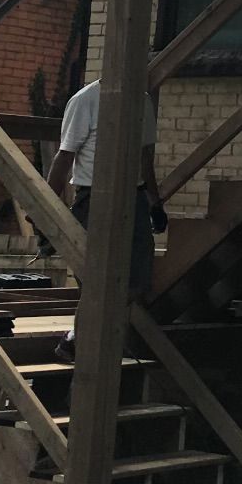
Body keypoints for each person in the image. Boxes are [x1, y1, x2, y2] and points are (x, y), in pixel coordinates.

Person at [50, 76, 167, 359]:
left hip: (135, 196)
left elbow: (144, 156)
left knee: (137, 277)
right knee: (95, 278)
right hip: (93, 196)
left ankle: (81, 337)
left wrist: (154, 203)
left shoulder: (143, 101)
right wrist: (45, 206)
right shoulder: (85, 99)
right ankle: (84, 342)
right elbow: (65, 156)